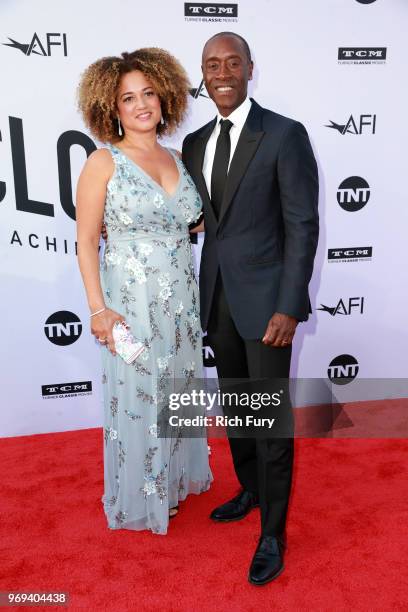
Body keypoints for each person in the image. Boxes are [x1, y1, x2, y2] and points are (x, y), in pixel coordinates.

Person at [182, 32, 319, 584]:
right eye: (212, 64)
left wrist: (289, 305)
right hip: (216, 299)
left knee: (270, 422)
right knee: (239, 413)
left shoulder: (284, 134)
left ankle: (273, 535)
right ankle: (252, 491)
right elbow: (204, 220)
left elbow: (301, 225)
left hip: (268, 309)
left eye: (232, 62)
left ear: (250, 70)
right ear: (203, 73)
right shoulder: (194, 142)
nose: (222, 72)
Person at [76, 48, 212, 536]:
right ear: (111, 107)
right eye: (128, 98)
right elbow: (86, 241)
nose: (140, 105)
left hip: (181, 301)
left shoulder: (177, 157)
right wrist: (98, 310)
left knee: (176, 389)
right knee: (140, 394)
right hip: (130, 302)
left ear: (164, 95)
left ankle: (172, 482)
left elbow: (194, 221)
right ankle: (141, 493)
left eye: (148, 93)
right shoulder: (102, 162)